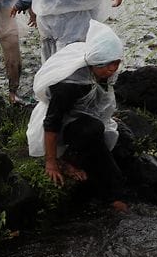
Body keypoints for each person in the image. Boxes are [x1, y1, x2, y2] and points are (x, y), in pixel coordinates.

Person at [27, 19, 128, 210]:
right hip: (62, 124)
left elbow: (101, 100)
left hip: (79, 117)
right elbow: (52, 122)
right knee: (93, 131)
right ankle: (67, 161)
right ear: (94, 62)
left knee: (100, 139)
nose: (113, 69)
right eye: (108, 65)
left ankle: (114, 194)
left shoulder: (101, 71)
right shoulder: (69, 85)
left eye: (116, 63)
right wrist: (51, 162)